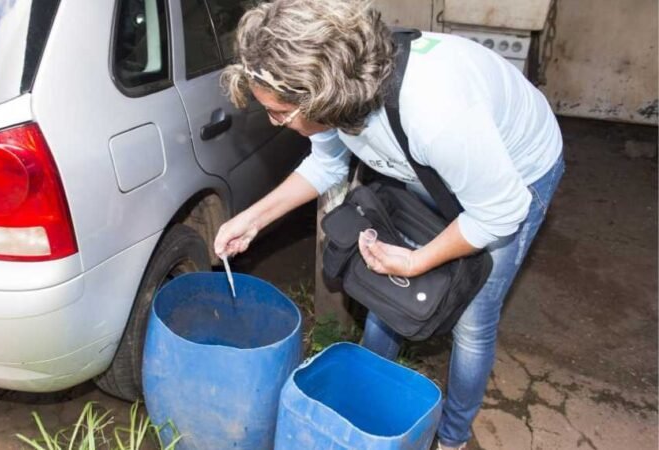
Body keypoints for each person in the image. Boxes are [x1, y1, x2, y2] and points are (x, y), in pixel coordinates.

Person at [213, 0, 565, 448]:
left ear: (321, 96)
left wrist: (418, 261)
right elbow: (326, 165)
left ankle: (453, 436)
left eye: (280, 113)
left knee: (473, 320)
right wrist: (252, 219)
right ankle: (363, 397)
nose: (274, 122)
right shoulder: (339, 88)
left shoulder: (436, 114)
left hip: (516, 175)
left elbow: (499, 212)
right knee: (386, 287)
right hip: (433, 167)